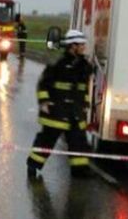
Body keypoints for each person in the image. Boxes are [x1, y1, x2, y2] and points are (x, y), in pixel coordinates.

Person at [26, 29, 92, 178]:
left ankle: (80, 170)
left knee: (79, 142)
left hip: (75, 111)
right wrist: (44, 101)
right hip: (56, 110)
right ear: (72, 46)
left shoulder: (83, 66)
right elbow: (43, 84)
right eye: (81, 44)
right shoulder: (57, 63)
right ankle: (33, 164)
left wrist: (85, 104)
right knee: (47, 141)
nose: (83, 47)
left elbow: (84, 89)